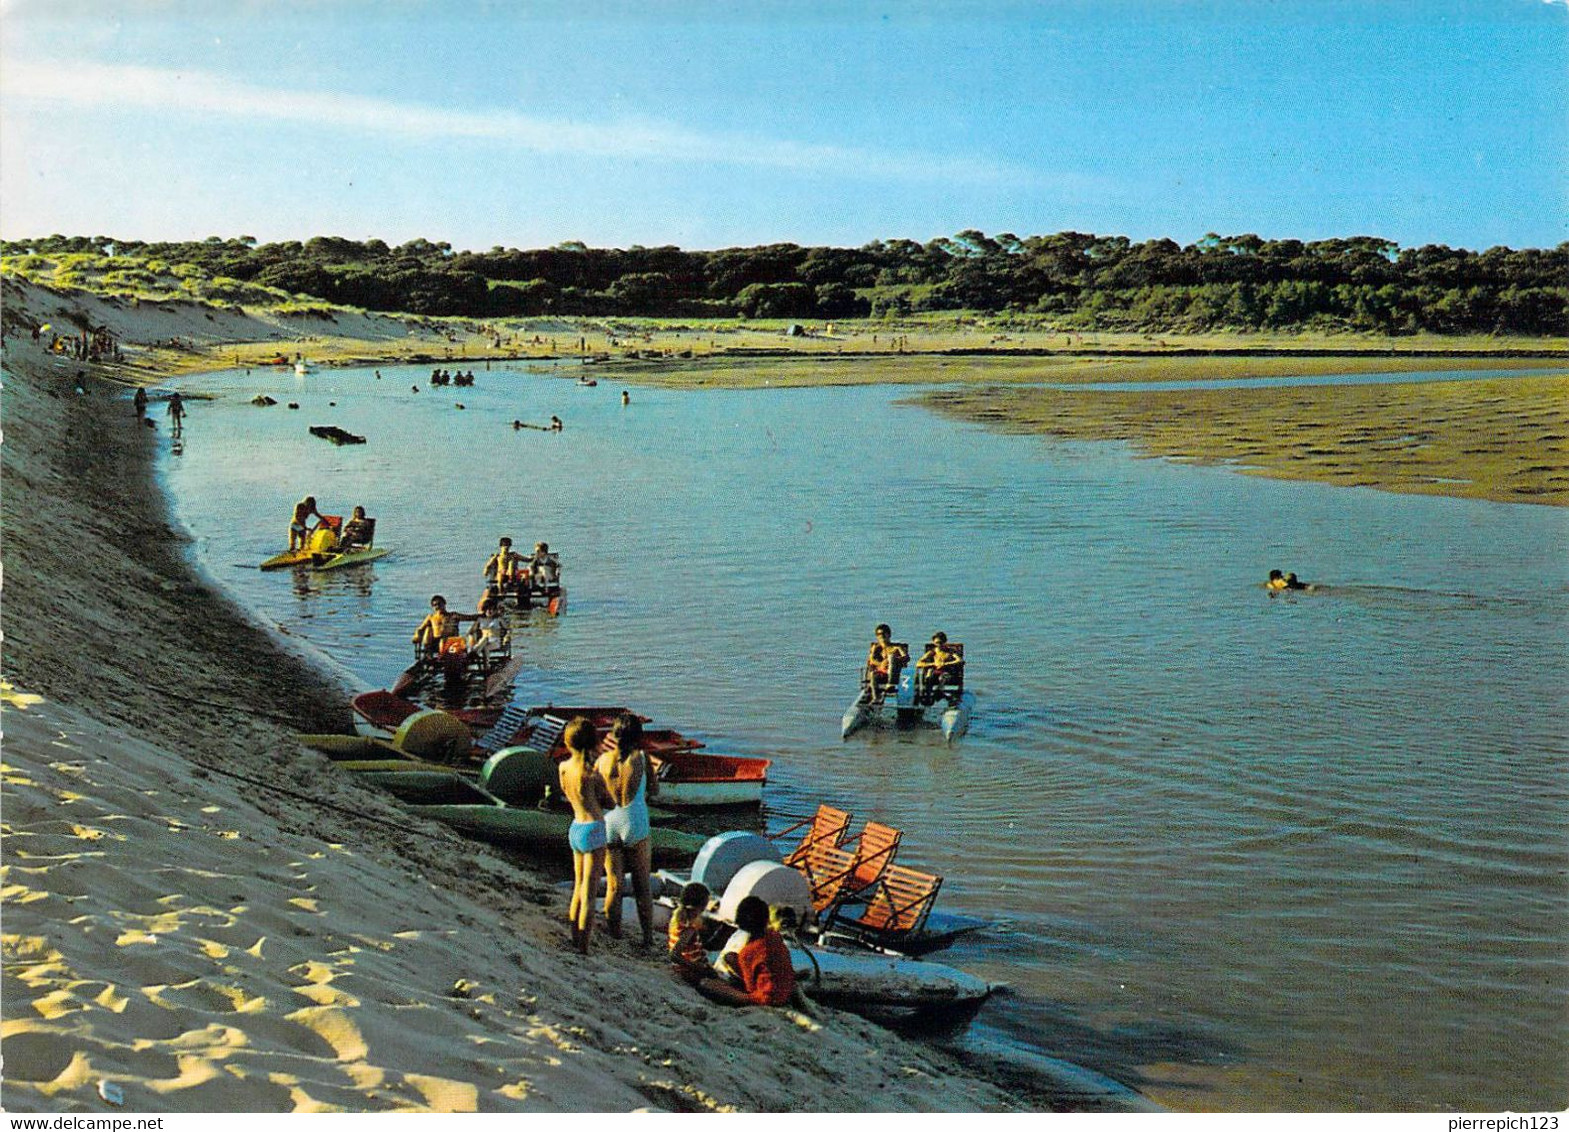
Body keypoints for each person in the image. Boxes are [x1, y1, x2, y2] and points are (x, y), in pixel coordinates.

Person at [598, 713, 659, 947]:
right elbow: (654, 791)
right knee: (642, 886)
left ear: (615, 735)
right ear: (638, 737)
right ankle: (647, 939)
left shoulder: (602, 761)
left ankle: (615, 934)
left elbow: (598, 793)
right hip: (634, 821)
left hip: (609, 822)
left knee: (614, 885)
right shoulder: (642, 758)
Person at [558, 717, 611, 955]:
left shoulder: (563, 767)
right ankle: (584, 946)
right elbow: (608, 800)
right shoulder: (591, 773)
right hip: (593, 829)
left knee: (578, 887)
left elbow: (565, 791)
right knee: (590, 893)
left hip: (575, 827)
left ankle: (573, 936)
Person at [694, 896, 797, 1007]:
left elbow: (749, 987)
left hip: (765, 999)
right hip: (785, 993)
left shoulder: (747, 953)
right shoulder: (775, 937)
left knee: (706, 984)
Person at [668, 881, 712, 983]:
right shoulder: (689, 929)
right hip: (688, 971)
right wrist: (698, 968)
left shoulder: (678, 919)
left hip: (684, 967)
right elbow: (674, 955)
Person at [863, 624, 908, 704]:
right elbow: (871, 660)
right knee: (873, 674)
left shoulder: (897, 647)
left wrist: (894, 659)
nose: (881, 636)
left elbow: (906, 657)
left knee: (891, 657)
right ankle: (876, 698)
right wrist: (881, 663)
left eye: (883, 633)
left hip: (896, 674)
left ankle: (890, 684)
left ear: (889, 634)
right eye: (879, 634)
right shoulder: (877, 648)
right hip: (883, 673)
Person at [915, 632, 962, 705]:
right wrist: (933, 664)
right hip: (935, 673)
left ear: (945, 642)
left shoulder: (949, 651)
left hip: (946, 672)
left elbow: (959, 660)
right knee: (929, 672)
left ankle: (939, 692)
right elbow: (918, 663)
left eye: (940, 643)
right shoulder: (933, 652)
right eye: (937, 643)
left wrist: (945, 664)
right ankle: (927, 695)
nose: (939, 645)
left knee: (942, 677)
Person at [465, 596, 510, 665]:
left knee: (485, 646)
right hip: (482, 641)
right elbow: (470, 631)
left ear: (495, 610)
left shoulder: (498, 619)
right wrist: (471, 638)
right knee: (484, 640)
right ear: (484, 610)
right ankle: (475, 654)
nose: (489, 611)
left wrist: (506, 638)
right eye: (487, 609)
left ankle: (475, 654)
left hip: (494, 641)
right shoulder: (480, 619)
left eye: (491, 609)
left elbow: (508, 630)